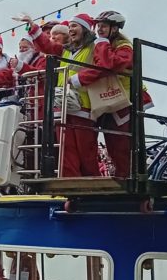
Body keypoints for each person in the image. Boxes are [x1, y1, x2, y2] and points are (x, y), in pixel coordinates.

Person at [26, 13, 101, 177]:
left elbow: (100, 69)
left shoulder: (94, 47)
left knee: (86, 150)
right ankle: (70, 186)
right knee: (66, 151)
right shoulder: (66, 50)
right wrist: (32, 26)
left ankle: (92, 184)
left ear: (85, 29)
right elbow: (46, 45)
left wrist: (76, 80)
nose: (71, 29)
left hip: (84, 105)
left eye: (75, 26)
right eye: (70, 26)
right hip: (62, 104)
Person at [69, 10, 139, 177]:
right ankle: (117, 176)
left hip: (124, 101)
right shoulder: (106, 43)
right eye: (98, 25)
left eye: (104, 26)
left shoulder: (124, 47)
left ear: (114, 29)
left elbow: (107, 65)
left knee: (121, 145)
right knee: (109, 143)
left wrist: (100, 43)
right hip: (108, 99)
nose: (99, 29)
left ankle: (126, 178)